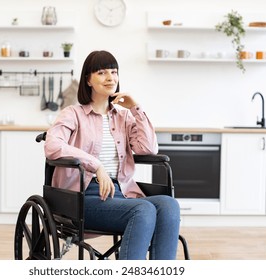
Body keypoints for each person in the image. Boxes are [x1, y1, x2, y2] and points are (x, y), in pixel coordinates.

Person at [44, 50, 180, 260]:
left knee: (169, 205)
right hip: (82, 197)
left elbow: (148, 149)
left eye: (114, 72)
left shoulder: (124, 117)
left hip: (122, 193)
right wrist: (96, 165)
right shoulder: (73, 114)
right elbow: (53, 145)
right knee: (143, 210)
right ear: (88, 79)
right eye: (101, 72)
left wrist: (136, 109)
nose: (110, 78)